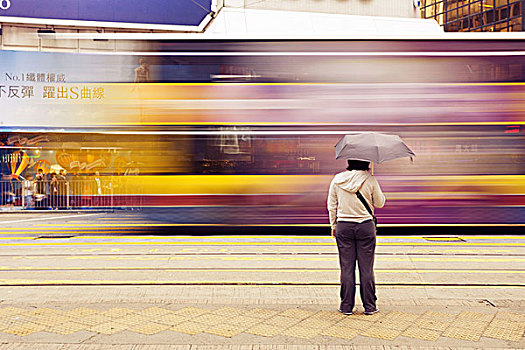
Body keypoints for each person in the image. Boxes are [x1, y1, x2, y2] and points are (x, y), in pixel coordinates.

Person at [327, 159, 386, 316]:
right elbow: (379, 204)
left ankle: (346, 306)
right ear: (367, 163)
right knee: (366, 268)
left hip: (344, 226)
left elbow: (332, 206)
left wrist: (333, 225)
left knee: (347, 267)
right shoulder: (370, 179)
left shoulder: (337, 179)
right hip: (365, 227)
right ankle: (370, 306)